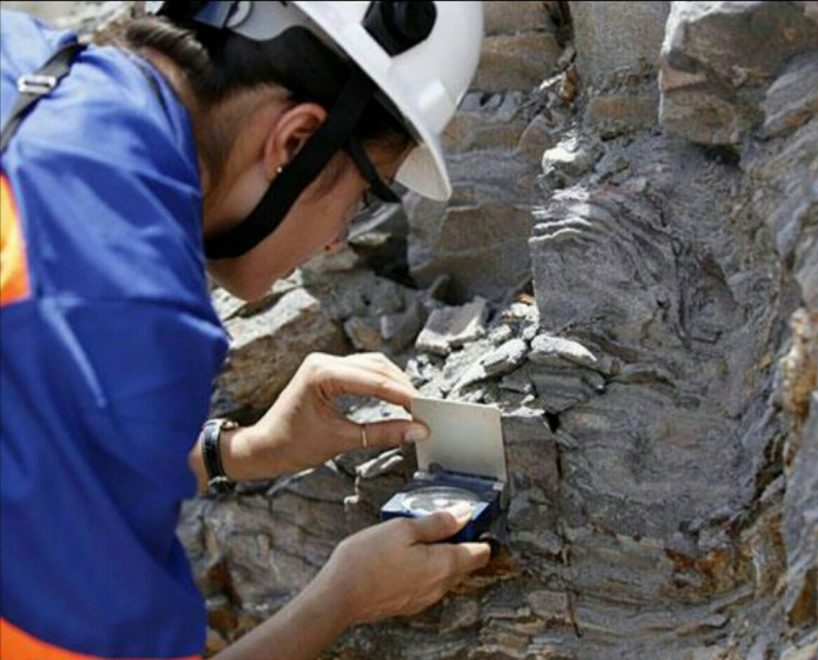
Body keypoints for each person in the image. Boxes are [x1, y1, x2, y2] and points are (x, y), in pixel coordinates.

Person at [0, 1, 487, 658]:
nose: (338, 237)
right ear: (293, 142)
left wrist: (240, 452)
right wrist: (340, 600)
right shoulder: (128, 317)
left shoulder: (23, 60)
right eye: (367, 193)